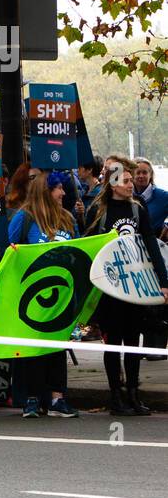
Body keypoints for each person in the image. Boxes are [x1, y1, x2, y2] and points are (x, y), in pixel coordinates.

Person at [85, 155, 168, 415]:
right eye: (125, 181)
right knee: (113, 343)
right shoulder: (98, 211)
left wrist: (163, 281)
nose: (130, 184)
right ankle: (115, 396)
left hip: (134, 287)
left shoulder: (137, 208)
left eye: (132, 180)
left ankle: (133, 392)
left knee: (133, 341)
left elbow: (151, 245)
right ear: (112, 183)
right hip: (110, 289)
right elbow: (88, 247)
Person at [7, 172, 80, 418]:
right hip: (32, 298)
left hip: (61, 296)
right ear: (45, 192)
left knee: (57, 347)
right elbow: (8, 254)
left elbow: (79, 251)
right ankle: (32, 398)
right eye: (58, 188)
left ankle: (58, 398)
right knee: (33, 349)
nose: (63, 193)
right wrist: (11, 251)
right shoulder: (24, 219)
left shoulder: (68, 219)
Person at [132, 159, 168, 238]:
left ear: (150, 175)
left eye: (144, 172)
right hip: (131, 246)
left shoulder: (162, 196)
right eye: (138, 173)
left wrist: (167, 226)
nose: (141, 176)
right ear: (132, 175)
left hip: (154, 244)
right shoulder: (127, 196)